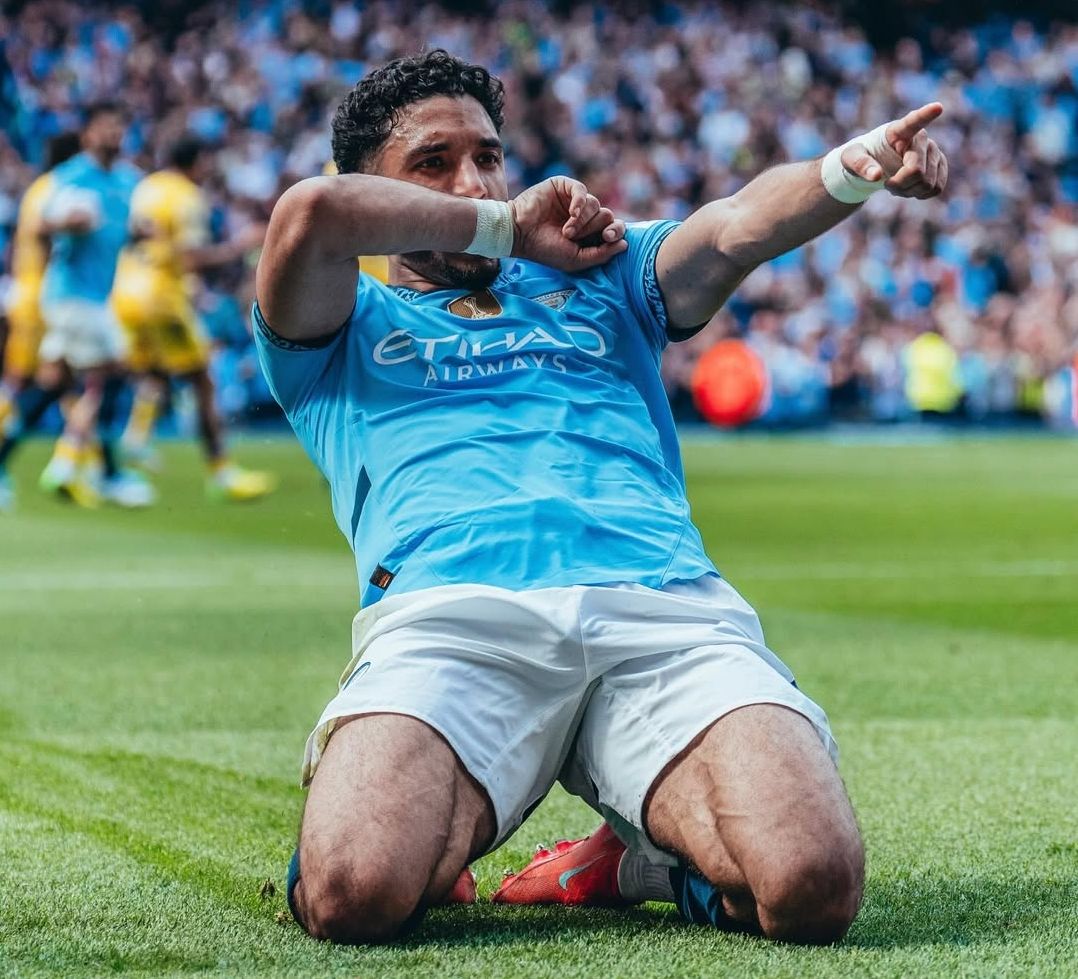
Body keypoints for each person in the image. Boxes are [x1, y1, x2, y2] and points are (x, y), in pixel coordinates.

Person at [253, 51, 948, 946]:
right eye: (433, 163)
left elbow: (737, 226)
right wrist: (506, 226)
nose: (474, 181)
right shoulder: (344, 324)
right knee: (353, 891)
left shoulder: (601, 272)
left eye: (489, 157)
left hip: (662, 608)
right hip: (454, 620)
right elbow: (311, 213)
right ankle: (423, 831)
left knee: (811, 886)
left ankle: (632, 864)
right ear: (375, 187)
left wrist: (855, 165)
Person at [0, 102, 151, 508]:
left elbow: (124, 230)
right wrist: (65, 224)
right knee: (113, 371)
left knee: (50, 387)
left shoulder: (128, 180)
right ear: (88, 135)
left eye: (119, 126)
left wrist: (140, 234)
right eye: (105, 127)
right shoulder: (70, 177)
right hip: (70, 296)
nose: (113, 134)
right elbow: (37, 227)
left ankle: (4, 464)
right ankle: (89, 469)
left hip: (96, 295)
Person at [111, 136, 275, 502]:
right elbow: (189, 257)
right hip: (160, 297)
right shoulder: (186, 195)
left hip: (125, 289)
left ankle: (131, 439)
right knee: (203, 381)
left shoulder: (147, 186)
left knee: (151, 372)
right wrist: (239, 246)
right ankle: (222, 472)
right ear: (197, 161)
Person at [0, 132, 81, 510]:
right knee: (46, 381)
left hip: (27, 293)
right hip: (46, 299)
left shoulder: (39, 189)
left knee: (51, 383)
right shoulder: (62, 188)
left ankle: (82, 463)